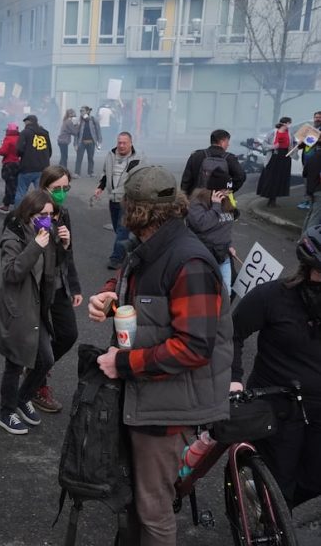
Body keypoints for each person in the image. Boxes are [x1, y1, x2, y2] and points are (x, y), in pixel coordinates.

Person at [87, 165, 232, 545]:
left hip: (170, 408)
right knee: (136, 501)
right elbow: (130, 277)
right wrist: (110, 295)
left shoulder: (189, 261)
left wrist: (122, 363)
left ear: (137, 211)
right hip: (150, 397)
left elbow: (194, 348)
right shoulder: (151, 246)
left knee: (154, 511)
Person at [231, 226, 321, 509]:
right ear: (309, 269)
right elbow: (231, 333)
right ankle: (269, 516)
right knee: (280, 483)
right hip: (278, 405)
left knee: (314, 480)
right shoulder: (272, 297)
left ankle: (276, 509)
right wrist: (234, 379)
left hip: (318, 407)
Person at [0, 189, 59, 434]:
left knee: (45, 360)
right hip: (17, 309)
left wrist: (64, 242)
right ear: (29, 213)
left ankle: (22, 398)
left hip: (37, 307)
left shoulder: (46, 232)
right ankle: (6, 412)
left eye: (51, 215)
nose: (47, 219)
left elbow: (52, 268)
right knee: (15, 362)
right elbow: (11, 273)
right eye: (42, 214)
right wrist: (35, 246)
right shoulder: (14, 236)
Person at [31, 166, 83, 413]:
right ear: (44, 187)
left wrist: (74, 287)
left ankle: (37, 368)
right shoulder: (30, 212)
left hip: (59, 284)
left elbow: (67, 255)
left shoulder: (64, 214)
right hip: (37, 287)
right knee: (36, 338)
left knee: (68, 334)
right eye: (56, 189)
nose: (61, 194)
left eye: (66, 188)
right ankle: (36, 385)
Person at [94, 132, 146, 269]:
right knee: (119, 230)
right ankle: (134, 249)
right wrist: (100, 187)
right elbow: (105, 173)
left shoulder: (139, 157)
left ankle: (116, 259)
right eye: (119, 142)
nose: (121, 146)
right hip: (113, 199)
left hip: (128, 199)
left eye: (124, 143)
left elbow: (143, 177)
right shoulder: (110, 155)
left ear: (130, 143)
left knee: (122, 230)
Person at [187, 168, 238, 294]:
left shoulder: (227, 200)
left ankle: (222, 313)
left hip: (223, 255)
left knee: (226, 292)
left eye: (229, 190)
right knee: (205, 293)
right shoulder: (197, 203)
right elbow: (201, 225)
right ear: (214, 190)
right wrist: (215, 206)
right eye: (225, 190)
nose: (228, 193)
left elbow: (226, 226)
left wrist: (229, 245)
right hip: (204, 256)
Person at [180, 129, 246, 195]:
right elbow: (240, 177)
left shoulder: (196, 155)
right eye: (227, 142)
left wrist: (185, 196)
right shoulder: (230, 158)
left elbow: (186, 180)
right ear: (222, 142)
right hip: (220, 199)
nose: (228, 145)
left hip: (197, 197)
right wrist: (229, 189)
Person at [15, 114, 52, 205]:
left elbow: (19, 149)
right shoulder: (45, 133)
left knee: (21, 192)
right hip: (43, 168)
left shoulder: (25, 132)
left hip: (27, 167)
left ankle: (18, 214)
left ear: (28, 122)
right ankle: (40, 212)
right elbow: (49, 151)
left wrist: (22, 155)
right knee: (41, 194)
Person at [256, 121, 293, 207]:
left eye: (289, 123)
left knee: (280, 179)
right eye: (287, 123)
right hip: (274, 157)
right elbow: (264, 145)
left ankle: (274, 200)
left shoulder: (290, 134)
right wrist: (273, 146)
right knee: (271, 178)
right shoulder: (273, 132)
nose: (288, 125)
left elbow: (293, 144)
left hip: (285, 158)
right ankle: (270, 199)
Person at [0, 122, 20, 213]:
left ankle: (7, 206)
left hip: (9, 164)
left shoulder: (8, 139)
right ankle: (16, 205)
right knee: (16, 185)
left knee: (9, 185)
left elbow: (3, 151)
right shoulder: (20, 138)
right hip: (18, 163)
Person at [74, 106, 102, 178]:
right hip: (81, 142)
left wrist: (99, 142)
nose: (81, 112)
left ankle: (90, 172)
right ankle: (77, 173)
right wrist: (75, 144)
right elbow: (76, 133)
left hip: (91, 142)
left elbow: (98, 131)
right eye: (80, 111)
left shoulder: (93, 119)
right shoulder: (79, 120)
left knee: (90, 158)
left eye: (83, 111)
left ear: (87, 111)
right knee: (79, 158)